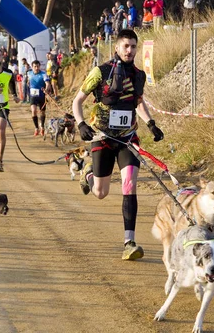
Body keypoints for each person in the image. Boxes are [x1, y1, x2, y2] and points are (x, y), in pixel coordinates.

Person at [72, 29, 164, 261]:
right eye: (126, 46)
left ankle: (129, 242)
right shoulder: (100, 72)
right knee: (101, 193)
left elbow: (139, 103)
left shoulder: (138, 75)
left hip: (127, 139)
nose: (130, 50)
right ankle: (89, 173)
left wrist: (151, 124)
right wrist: (81, 123)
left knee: (129, 184)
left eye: (133, 46)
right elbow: (78, 101)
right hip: (102, 137)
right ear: (117, 47)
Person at [28, 60, 51, 136]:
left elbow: (47, 83)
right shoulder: (29, 73)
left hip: (41, 96)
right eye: (35, 66)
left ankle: (42, 126)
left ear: (39, 66)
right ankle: (36, 128)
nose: (36, 68)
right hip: (33, 96)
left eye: (38, 66)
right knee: (33, 111)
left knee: (42, 112)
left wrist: (46, 89)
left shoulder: (43, 74)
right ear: (32, 67)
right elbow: (28, 82)